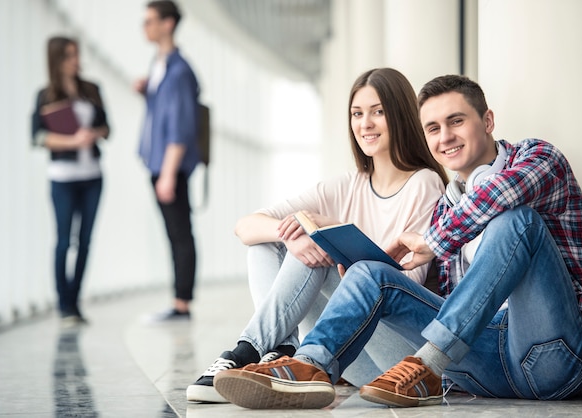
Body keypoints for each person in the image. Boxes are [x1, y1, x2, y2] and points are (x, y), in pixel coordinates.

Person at [212, 74, 582, 409]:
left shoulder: (538, 158)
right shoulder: (446, 207)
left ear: (488, 121)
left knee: (517, 222)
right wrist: (372, 277)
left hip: (552, 355)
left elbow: (499, 197)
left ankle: (427, 364)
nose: (445, 137)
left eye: (456, 121)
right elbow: (445, 300)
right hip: (480, 365)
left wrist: (431, 242)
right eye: (433, 128)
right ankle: (306, 366)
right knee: (370, 272)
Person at [186, 68, 449, 403]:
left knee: (315, 243)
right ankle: (279, 347)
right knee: (274, 240)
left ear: (400, 115)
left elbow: (404, 284)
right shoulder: (347, 184)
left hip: (400, 362)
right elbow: (246, 226)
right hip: (345, 355)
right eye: (357, 114)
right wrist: (295, 233)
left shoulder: (424, 183)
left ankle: (247, 349)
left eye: (378, 112)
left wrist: (330, 237)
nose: (365, 124)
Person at [31, 36, 110, 328]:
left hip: (92, 176)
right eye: (68, 55)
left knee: (85, 241)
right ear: (57, 60)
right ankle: (64, 304)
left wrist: (94, 133)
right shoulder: (45, 95)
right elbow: (38, 136)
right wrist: (71, 140)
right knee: (64, 241)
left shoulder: (91, 90)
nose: (75, 61)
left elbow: (106, 127)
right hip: (62, 178)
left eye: (76, 54)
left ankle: (75, 301)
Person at [134, 0, 201, 321]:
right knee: (175, 231)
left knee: (179, 232)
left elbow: (181, 126)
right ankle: (180, 300)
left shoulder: (178, 71)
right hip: (160, 164)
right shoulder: (159, 65)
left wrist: (169, 173)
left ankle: (181, 303)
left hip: (169, 167)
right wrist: (147, 92)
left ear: (168, 23)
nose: (144, 27)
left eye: (150, 21)